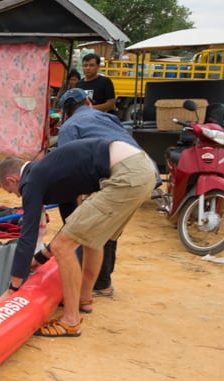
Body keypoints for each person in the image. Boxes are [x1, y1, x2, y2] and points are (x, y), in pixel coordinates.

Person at [0, 138, 156, 337]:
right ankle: (84, 298)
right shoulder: (52, 172)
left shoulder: (31, 180)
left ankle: (70, 321)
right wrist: (39, 259)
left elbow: (28, 235)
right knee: (91, 236)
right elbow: (73, 227)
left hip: (127, 174)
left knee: (64, 247)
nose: (17, 197)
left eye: (11, 191)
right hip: (141, 169)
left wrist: (13, 287)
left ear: (12, 180)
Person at [57, 87, 162, 300]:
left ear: (65, 112)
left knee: (89, 225)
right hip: (147, 171)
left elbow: (68, 168)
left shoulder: (69, 126)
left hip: (122, 175)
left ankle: (93, 284)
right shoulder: (107, 117)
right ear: (88, 100)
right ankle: (101, 284)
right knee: (106, 227)